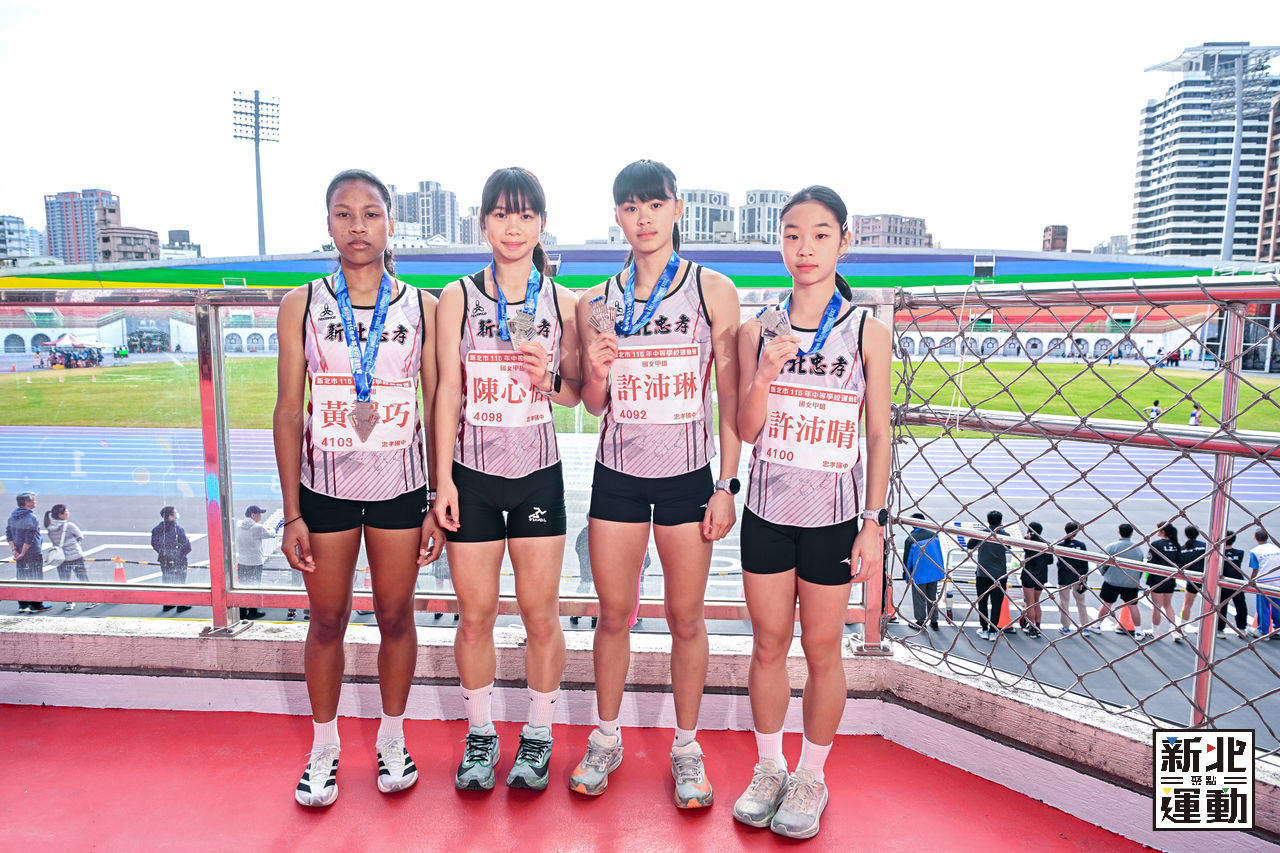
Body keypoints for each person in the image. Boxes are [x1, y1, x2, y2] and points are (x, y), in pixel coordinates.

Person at [571, 160, 742, 809]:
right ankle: (606, 736)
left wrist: (726, 484)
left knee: (685, 617)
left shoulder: (711, 289)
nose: (642, 217)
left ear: (677, 208)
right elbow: (593, 404)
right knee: (613, 613)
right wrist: (597, 371)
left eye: (654, 204)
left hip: (687, 479)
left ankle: (687, 746)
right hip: (617, 476)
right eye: (630, 206)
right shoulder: (596, 302)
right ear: (617, 215)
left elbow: (729, 396)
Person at [274, 169, 444, 808]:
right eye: (343, 214)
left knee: (396, 616)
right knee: (327, 620)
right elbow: (288, 410)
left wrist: (434, 499)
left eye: (371, 214)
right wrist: (292, 512)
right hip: (326, 489)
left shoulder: (422, 308)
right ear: (328, 224)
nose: (357, 226)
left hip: (400, 487)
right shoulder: (302, 304)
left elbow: (438, 406)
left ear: (390, 224)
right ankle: (324, 748)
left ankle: (392, 739)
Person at [732, 186, 890, 839]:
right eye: (792, 234)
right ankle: (769, 766)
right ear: (780, 243)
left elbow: (877, 433)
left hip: (832, 518)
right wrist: (763, 377)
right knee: (769, 644)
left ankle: (811, 775)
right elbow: (745, 430)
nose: (805, 247)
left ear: (843, 242)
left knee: (823, 649)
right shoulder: (757, 329)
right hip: (767, 512)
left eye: (821, 234)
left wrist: (873, 521)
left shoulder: (867, 331)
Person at [433, 167, 581, 792]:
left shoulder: (565, 303)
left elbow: (577, 395)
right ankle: (481, 735)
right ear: (483, 223)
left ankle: (539, 734)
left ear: (541, 224)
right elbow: (447, 392)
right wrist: (441, 481)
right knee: (475, 617)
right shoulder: (457, 296)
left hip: (537, 477)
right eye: (500, 214)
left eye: (524, 215)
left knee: (541, 616)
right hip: (471, 477)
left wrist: (548, 376)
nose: (512, 226)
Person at [967, 510, 1011, 640]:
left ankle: (984, 628)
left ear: (987, 520)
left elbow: (969, 545)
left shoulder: (981, 533)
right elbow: (1009, 548)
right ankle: (993, 631)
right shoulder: (1005, 535)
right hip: (1000, 575)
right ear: (1001, 521)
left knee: (982, 602)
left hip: (983, 573)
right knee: (997, 603)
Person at [1096, 523, 1144, 638]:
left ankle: (1097, 625)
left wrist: (1105, 574)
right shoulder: (1137, 549)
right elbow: (1141, 567)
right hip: (1131, 582)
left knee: (1107, 604)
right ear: (1131, 534)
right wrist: (1136, 579)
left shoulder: (1112, 547)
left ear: (1119, 532)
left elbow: (1101, 563)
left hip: (1112, 581)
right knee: (1133, 606)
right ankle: (1138, 631)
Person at [45, 503, 93, 611]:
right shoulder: (69, 526)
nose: (68, 512)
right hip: (75, 556)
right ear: (61, 515)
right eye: (66, 511)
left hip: (61, 558)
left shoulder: (49, 527)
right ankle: (90, 600)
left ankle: (69, 603)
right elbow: (80, 536)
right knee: (83, 579)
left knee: (65, 581)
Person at [7, 492, 49, 614]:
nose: (35, 502)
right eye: (33, 500)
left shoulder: (12, 516)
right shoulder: (31, 518)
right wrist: (23, 553)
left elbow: (9, 534)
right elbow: (29, 538)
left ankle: (22, 604)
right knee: (35, 578)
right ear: (27, 502)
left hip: (18, 552)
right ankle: (36, 605)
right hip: (32, 553)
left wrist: (15, 551)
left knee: (21, 577)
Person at [902, 513, 944, 630]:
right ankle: (934, 621)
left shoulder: (910, 539)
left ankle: (920, 621)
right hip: (934, 572)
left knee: (919, 599)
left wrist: (907, 575)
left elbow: (907, 560)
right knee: (932, 597)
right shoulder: (934, 535)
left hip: (919, 574)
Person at [234, 505, 273, 620]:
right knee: (254, 586)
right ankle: (253, 612)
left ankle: (242, 613)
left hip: (242, 562)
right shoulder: (258, 527)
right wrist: (270, 529)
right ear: (253, 515)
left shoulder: (239, 525)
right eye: (259, 514)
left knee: (242, 587)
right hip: (255, 562)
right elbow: (271, 534)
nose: (261, 516)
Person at [150, 506, 192, 614]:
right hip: (179, 560)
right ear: (170, 516)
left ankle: (168, 603)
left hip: (164, 560)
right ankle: (181, 604)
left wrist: (164, 554)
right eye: (175, 513)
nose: (177, 514)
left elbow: (154, 544)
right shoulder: (178, 530)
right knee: (180, 581)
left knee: (167, 580)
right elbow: (187, 546)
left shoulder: (156, 530)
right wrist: (178, 555)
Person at [1146, 523, 1182, 642]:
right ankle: (1174, 631)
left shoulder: (1156, 544)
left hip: (1156, 580)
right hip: (1170, 579)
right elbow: (1180, 562)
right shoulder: (1176, 545)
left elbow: (1150, 562)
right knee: (1168, 605)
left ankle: (1155, 632)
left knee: (1157, 607)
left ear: (1163, 531)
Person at [1056, 521, 1091, 634]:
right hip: (1078, 576)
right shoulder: (1081, 545)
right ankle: (1085, 626)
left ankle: (1066, 627)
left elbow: (1059, 563)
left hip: (1064, 577)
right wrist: (1084, 578)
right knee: (1081, 602)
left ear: (1065, 529)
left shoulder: (1060, 545)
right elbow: (1085, 563)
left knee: (1064, 602)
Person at [1019, 521, 1052, 638]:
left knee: (1030, 603)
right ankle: (1037, 626)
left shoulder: (1029, 543)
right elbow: (1050, 561)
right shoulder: (1047, 544)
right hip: (1041, 576)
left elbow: (1026, 551)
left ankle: (1032, 627)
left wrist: (1026, 539)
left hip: (1029, 575)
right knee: (1037, 602)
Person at [1247, 529, 1280, 640]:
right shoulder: (1277, 548)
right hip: (1278, 581)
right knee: (1277, 606)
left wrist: (1251, 581)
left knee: (1263, 607)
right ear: (1268, 537)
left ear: (1255, 538)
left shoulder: (1255, 551)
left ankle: (1263, 631)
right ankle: (1278, 628)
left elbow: (1255, 569)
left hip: (1264, 582)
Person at [1218, 530, 1249, 639]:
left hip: (1223, 584)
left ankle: (1220, 629)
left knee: (1222, 607)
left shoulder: (1219, 554)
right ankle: (1242, 628)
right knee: (1241, 607)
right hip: (1237, 583)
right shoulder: (1240, 553)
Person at [1178, 524, 1207, 631]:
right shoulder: (1205, 546)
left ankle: (1182, 627)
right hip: (1206, 578)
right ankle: (1207, 627)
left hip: (1192, 579)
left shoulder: (1182, 549)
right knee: (1209, 604)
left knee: (1187, 605)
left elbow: (1180, 566)